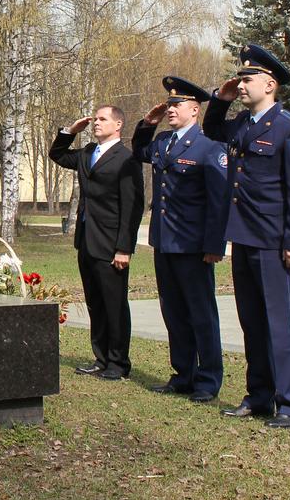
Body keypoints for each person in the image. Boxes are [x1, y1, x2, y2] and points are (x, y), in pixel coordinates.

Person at [203, 44, 290, 428]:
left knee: (281, 326)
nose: (241, 84)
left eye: (247, 79)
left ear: (269, 84)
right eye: (239, 78)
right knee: (252, 322)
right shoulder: (242, 124)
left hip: (272, 240)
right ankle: (260, 396)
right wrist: (220, 100)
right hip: (243, 236)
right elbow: (212, 130)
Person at [132, 77, 228, 402]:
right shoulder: (162, 142)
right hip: (164, 241)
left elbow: (218, 201)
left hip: (193, 245)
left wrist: (214, 245)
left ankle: (208, 380)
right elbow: (139, 151)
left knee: (201, 314)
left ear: (195, 110)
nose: (170, 109)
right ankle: (183, 374)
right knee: (173, 312)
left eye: (177, 104)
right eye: (169, 104)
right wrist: (147, 124)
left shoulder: (209, 146)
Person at [50, 106, 144, 380]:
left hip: (111, 244)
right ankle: (101, 358)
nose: (96, 123)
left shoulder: (126, 158)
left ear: (118, 124)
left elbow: (132, 206)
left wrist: (124, 247)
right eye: (95, 119)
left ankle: (118, 363)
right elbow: (58, 155)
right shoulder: (88, 152)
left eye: (103, 119)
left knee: (114, 305)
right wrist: (70, 132)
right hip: (87, 240)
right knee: (96, 303)